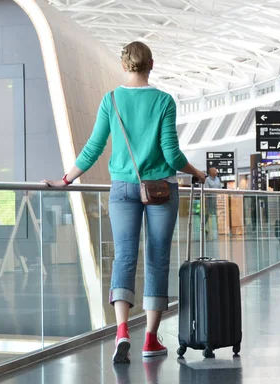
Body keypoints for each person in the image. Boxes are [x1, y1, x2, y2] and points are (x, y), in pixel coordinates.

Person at [43, 41, 206, 364]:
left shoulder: (111, 100)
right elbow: (172, 154)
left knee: (124, 258)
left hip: (121, 189)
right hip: (160, 189)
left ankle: (120, 332)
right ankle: (149, 338)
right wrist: (197, 172)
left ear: (123, 66)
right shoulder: (163, 101)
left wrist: (65, 179)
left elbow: (93, 148)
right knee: (157, 259)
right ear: (152, 64)